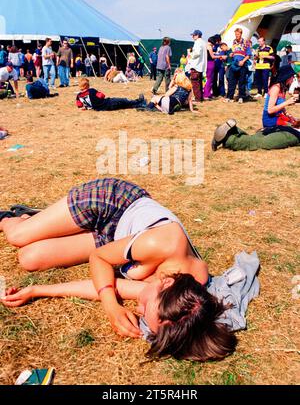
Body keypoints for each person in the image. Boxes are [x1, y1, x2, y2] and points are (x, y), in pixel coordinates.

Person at [0, 178, 237, 361]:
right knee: (17, 236)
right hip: (113, 204)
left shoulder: (178, 297)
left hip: (114, 238)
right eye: (144, 307)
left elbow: (108, 286)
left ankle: (40, 220)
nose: (137, 308)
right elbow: (99, 259)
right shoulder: (164, 242)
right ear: (166, 283)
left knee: (29, 258)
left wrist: (36, 290)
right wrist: (111, 307)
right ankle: (13, 218)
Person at [211, 118, 299, 152]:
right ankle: (227, 139)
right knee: (257, 142)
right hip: (292, 134)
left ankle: (231, 131)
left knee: (254, 138)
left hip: (287, 130)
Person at [75, 78, 146, 111]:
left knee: (124, 106)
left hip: (99, 108)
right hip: (107, 104)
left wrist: (86, 107)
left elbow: (79, 105)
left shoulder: (78, 96)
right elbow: (102, 96)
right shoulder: (91, 91)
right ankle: (139, 101)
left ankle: (139, 105)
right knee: (124, 101)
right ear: (87, 86)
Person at [225, 28, 252, 104]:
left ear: (241, 34)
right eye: (235, 34)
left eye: (238, 34)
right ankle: (229, 97)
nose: (236, 36)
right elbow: (234, 52)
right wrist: (231, 54)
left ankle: (241, 97)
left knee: (242, 81)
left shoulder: (246, 42)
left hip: (242, 64)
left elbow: (248, 55)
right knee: (231, 81)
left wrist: (243, 61)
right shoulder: (234, 42)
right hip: (234, 64)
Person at [185, 30, 207, 102]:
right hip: (201, 65)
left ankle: (198, 99)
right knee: (199, 82)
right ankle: (200, 98)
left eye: (193, 35)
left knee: (195, 83)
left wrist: (190, 53)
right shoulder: (203, 42)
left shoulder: (198, 42)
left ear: (197, 35)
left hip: (196, 65)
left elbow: (196, 53)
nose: (192, 36)